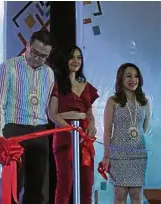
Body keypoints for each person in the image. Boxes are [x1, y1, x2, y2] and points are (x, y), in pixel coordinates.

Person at [0, 30, 55, 204]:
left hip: (40, 131)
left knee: (37, 188)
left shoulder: (49, 73)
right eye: (34, 52)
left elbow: (45, 105)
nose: (37, 59)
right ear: (27, 45)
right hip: (14, 130)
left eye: (43, 56)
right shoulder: (8, 67)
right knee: (13, 185)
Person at [48, 45, 99, 204]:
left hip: (84, 137)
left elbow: (89, 112)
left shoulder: (86, 85)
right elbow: (52, 114)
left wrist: (91, 124)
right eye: (72, 57)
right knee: (65, 183)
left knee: (87, 182)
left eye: (79, 57)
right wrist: (71, 131)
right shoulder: (56, 83)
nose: (76, 61)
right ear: (65, 60)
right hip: (65, 135)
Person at [100, 63, 150, 204]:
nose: (132, 79)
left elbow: (143, 128)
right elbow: (108, 130)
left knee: (137, 196)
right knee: (120, 195)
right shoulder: (113, 101)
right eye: (128, 76)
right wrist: (106, 155)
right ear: (121, 79)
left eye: (136, 76)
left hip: (138, 154)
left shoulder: (144, 102)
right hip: (119, 154)